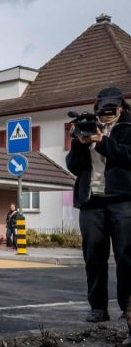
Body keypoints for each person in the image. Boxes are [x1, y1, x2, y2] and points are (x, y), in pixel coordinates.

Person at [66, 86, 131, 328]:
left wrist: (102, 142)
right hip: (91, 201)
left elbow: (128, 156)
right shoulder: (87, 125)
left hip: (123, 199)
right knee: (93, 257)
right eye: (102, 108)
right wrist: (80, 143)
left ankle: (127, 308)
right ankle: (98, 308)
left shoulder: (128, 128)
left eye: (111, 108)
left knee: (126, 256)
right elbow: (73, 167)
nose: (106, 113)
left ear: (122, 108)